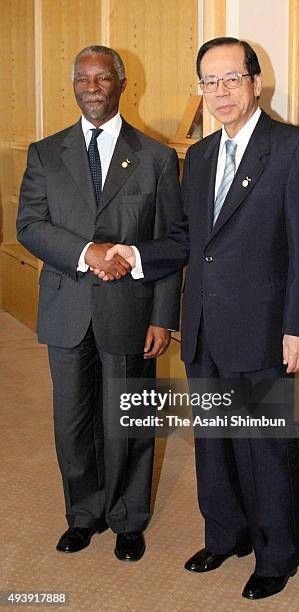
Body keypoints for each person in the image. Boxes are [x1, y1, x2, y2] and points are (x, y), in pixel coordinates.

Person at [93, 38, 299, 599]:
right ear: (200, 89)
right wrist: (134, 255)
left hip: (266, 329)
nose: (220, 92)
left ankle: (276, 554)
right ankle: (226, 534)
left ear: (255, 82)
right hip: (204, 328)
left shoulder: (296, 149)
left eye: (231, 79)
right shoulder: (198, 158)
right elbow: (186, 241)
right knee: (214, 443)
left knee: (264, 446)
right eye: (209, 82)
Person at [16, 45, 182, 562]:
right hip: (66, 310)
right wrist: (87, 253)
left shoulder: (155, 157)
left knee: (128, 420)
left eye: (102, 77)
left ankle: (128, 519)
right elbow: (29, 225)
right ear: (73, 86)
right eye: (83, 79)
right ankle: (83, 515)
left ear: (122, 84)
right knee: (73, 423)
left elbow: (174, 240)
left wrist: (163, 317)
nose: (92, 86)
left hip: (130, 312)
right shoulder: (45, 153)